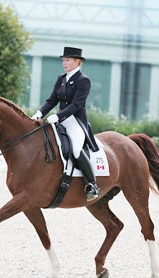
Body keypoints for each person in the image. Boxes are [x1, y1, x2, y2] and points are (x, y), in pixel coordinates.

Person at [32, 46, 99, 202]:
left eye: (68, 60)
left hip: (75, 121)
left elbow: (77, 104)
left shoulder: (83, 80)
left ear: (78, 62)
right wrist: (40, 113)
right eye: (63, 60)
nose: (65, 63)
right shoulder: (61, 78)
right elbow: (52, 100)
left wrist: (58, 116)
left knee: (75, 149)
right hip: (60, 120)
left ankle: (92, 185)